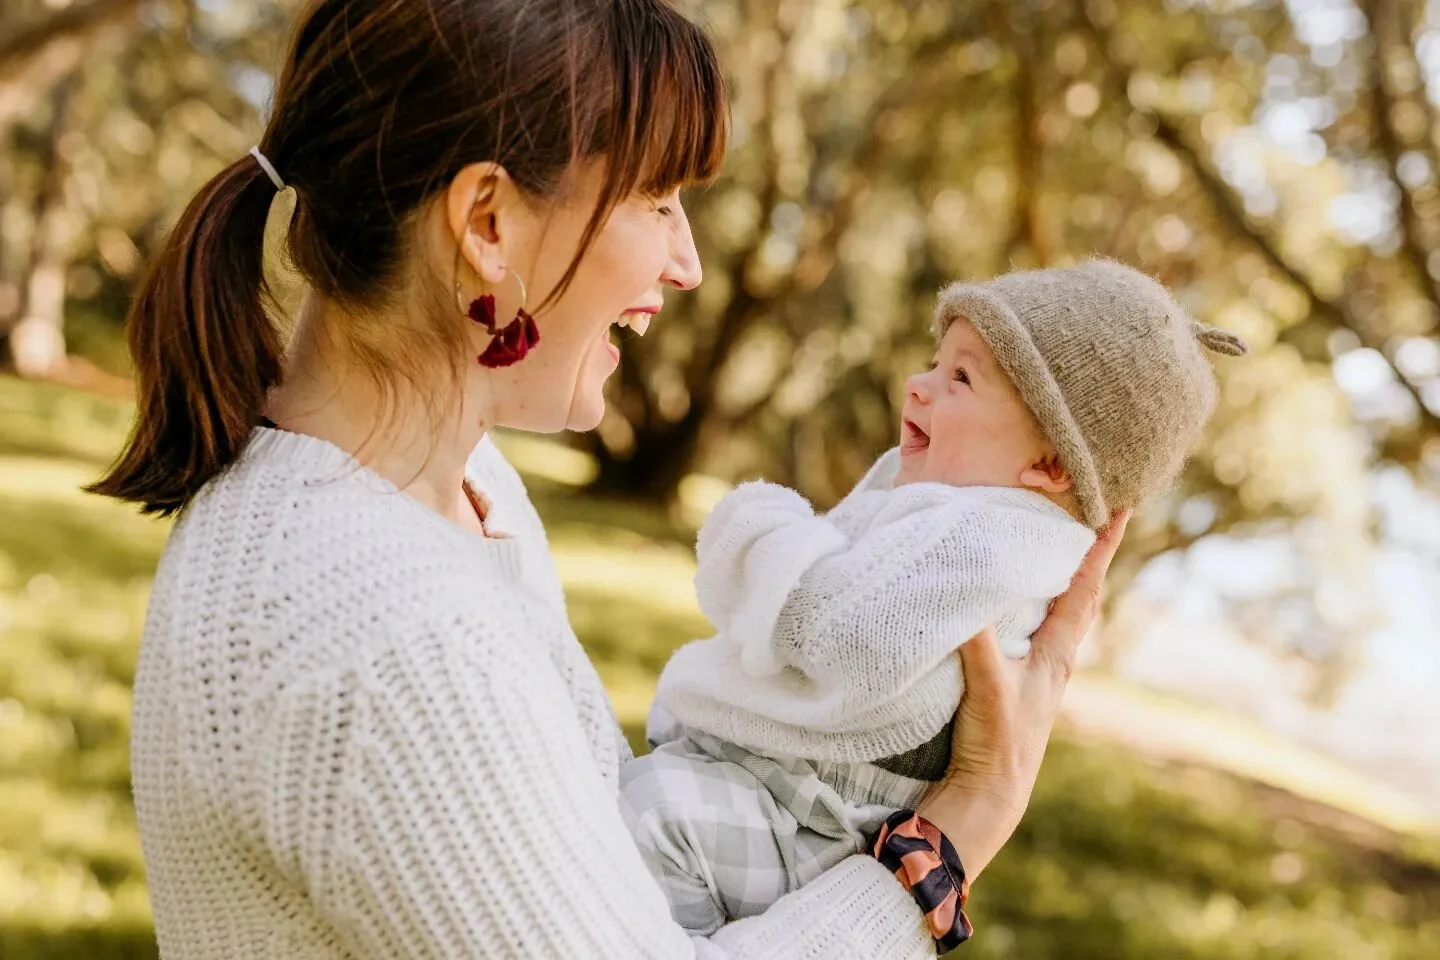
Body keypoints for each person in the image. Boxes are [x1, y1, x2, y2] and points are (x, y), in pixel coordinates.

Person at [88, 0, 1129, 956]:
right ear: (488, 224)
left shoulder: (455, 492)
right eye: (656, 200)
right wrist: (954, 832)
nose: (688, 265)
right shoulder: (387, 634)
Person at [621, 261, 1247, 936]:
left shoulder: (988, 539)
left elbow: (842, 631)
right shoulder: (970, 510)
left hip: (805, 826)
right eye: (933, 362)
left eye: (961, 378)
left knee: (647, 824)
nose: (917, 387)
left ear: (1050, 465)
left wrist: (753, 526)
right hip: (792, 804)